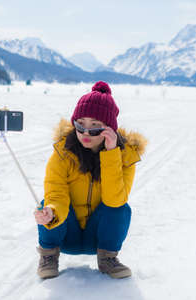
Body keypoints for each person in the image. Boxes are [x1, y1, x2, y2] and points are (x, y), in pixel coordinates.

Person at [34, 81, 147, 279]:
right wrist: (51, 213)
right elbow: (56, 192)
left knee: (121, 208)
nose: (86, 133)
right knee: (48, 204)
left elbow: (115, 201)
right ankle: (49, 256)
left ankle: (108, 259)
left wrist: (111, 154)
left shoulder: (125, 157)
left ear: (109, 129)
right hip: (67, 233)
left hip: (99, 238)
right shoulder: (62, 154)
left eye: (95, 127)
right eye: (80, 125)